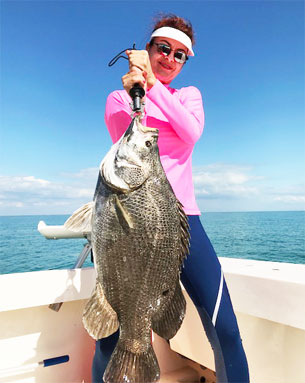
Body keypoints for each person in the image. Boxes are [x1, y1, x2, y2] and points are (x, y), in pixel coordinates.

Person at [92, 14, 250, 383]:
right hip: (128, 224)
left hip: (184, 223)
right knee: (112, 336)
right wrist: (139, 93)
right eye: (162, 48)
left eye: (180, 54)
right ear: (147, 50)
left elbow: (190, 131)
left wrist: (152, 85)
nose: (169, 58)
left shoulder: (189, 96)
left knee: (224, 328)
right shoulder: (120, 96)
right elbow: (125, 137)